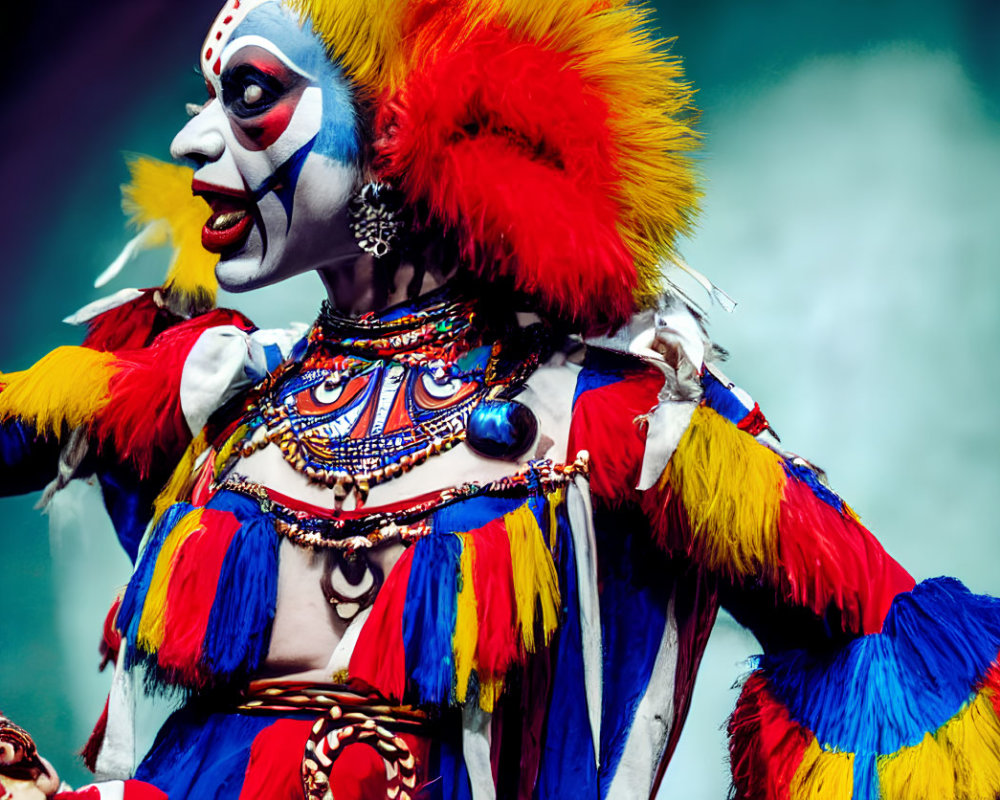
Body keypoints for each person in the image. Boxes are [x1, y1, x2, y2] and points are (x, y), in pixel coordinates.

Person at [3, 0, 1000, 798]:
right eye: (204, 100)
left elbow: (874, 625)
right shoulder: (213, 388)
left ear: (395, 130)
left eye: (250, 96)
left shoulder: (610, 419)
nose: (191, 144)